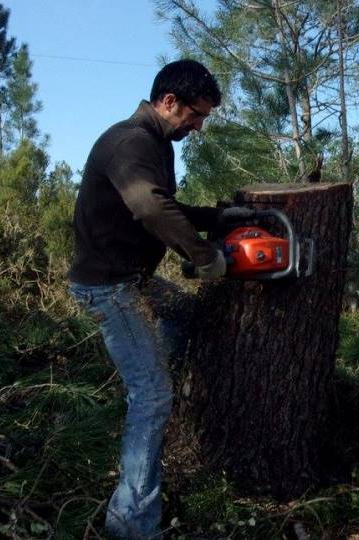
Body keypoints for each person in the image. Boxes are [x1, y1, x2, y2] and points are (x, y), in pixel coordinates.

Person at [67, 59, 249, 539]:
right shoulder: (131, 141)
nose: (198, 125)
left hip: (135, 281)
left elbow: (159, 204)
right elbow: (150, 205)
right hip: (111, 288)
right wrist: (205, 255)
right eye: (195, 115)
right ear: (169, 102)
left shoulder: (155, 142)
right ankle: (131, 526)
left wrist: (216, 216)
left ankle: (152, 383)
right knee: (151, 394)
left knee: (188, 316)